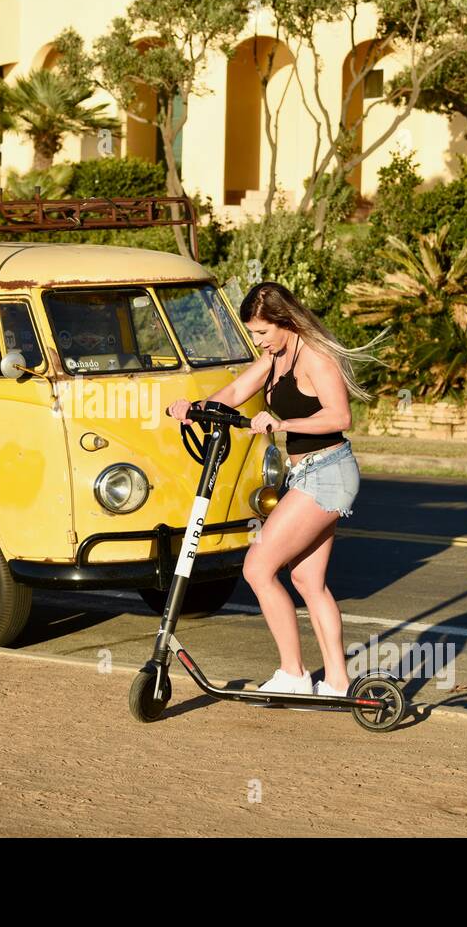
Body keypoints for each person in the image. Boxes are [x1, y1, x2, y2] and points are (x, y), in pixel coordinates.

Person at [168, 281, 386, 699]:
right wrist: (195, 409)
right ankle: (338, 682)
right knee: (307, 580)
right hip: (307, 474)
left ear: (286, 322)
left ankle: (293, 672)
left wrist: (281, 424)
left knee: (257, 567)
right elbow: (232, 393)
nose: (259, 341)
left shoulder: (316, 357)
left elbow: (340, 415)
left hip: (329, 473)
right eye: (253, 333)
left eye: (263, 332)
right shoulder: (274, 358)